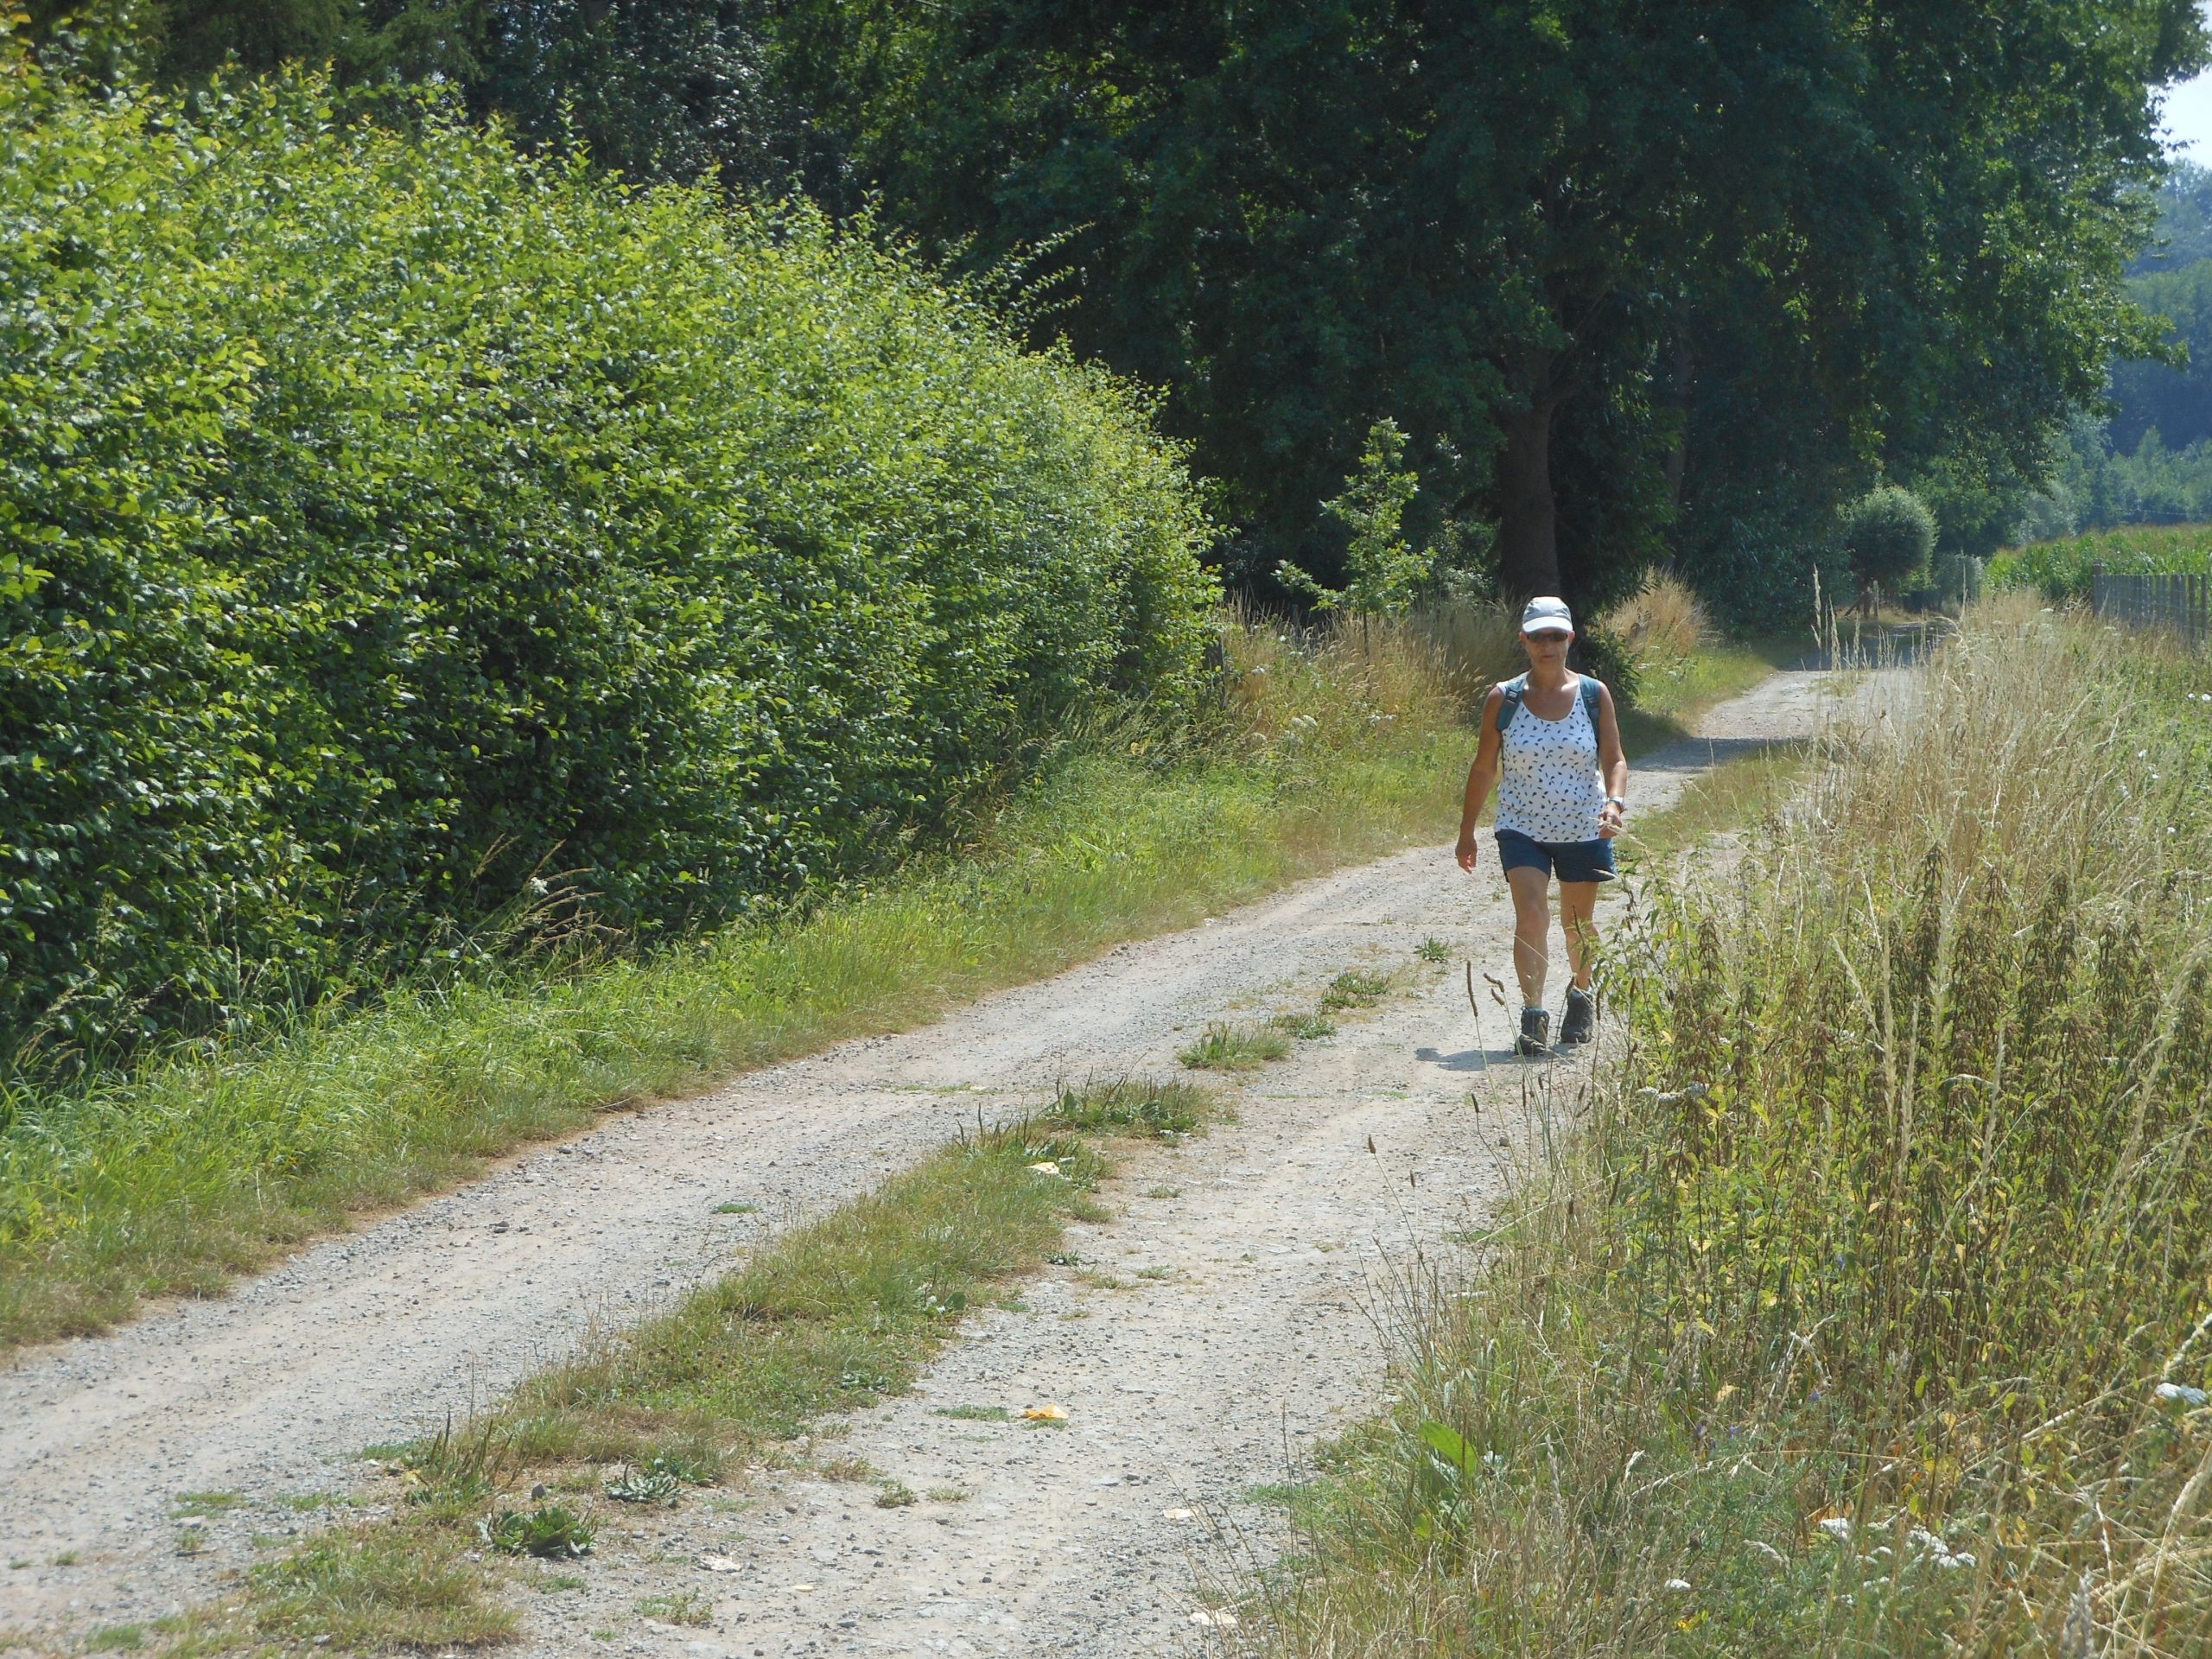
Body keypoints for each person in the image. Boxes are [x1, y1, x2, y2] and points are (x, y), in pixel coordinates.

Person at [1452, 596, 1629, 1055]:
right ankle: (1533, 1014)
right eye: (1537, 637)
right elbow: (1485, 768)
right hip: (1521, 827)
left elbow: (1614, 759)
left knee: (1578, 924)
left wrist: (1614, 804)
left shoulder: (1594, 694)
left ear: (1569, 638)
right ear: (1524, 641)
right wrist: (1467, 829)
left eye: (1555, 636)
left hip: (1583, 826)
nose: (1546, 645)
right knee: (1531, 914)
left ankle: (1580, 993)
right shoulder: (1504, 697)